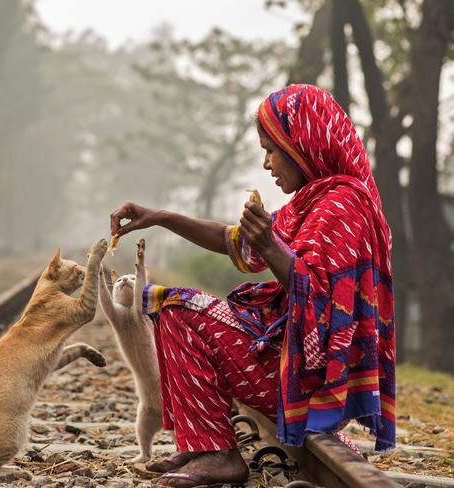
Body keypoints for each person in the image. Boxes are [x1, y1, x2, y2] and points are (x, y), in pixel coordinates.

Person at [109, 84, 396, 487]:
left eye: (271, 149)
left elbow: (320, 300)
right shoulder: (313, 201)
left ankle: (218, 453)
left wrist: (270, 247)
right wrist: (160, 217)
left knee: (174, 307)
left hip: (306, 378)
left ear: (302, 146)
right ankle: (205, 445)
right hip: (287, 365)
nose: (266, 164)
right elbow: (234, 243)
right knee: (176, 305)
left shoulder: (342, 203)